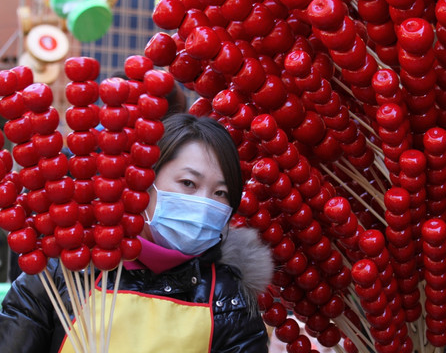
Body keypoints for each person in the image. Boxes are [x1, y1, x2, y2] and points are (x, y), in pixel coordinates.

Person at [0, 113, 274, 352]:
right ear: (145, 181)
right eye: (188, 183)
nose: (204, 205)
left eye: (220, 193)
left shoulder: (230, 301)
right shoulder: (65, 272)